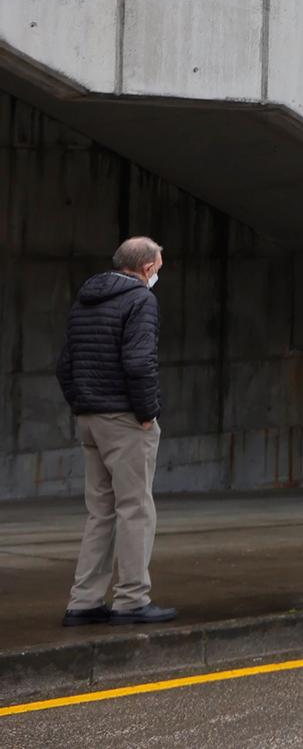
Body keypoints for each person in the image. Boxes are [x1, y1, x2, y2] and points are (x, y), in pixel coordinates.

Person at [57, 236, 176, 626]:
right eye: (158, 266)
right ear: (146, 268)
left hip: (90, 416)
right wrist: (147, 412)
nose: (158, 272)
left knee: (100, 512)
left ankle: (84, 601)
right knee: (136, 509)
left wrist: (81, 403)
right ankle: (131, 599)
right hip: (125, 418)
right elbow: (140, 361)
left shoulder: (86, 297)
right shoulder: (141, 299)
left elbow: (65, 364)